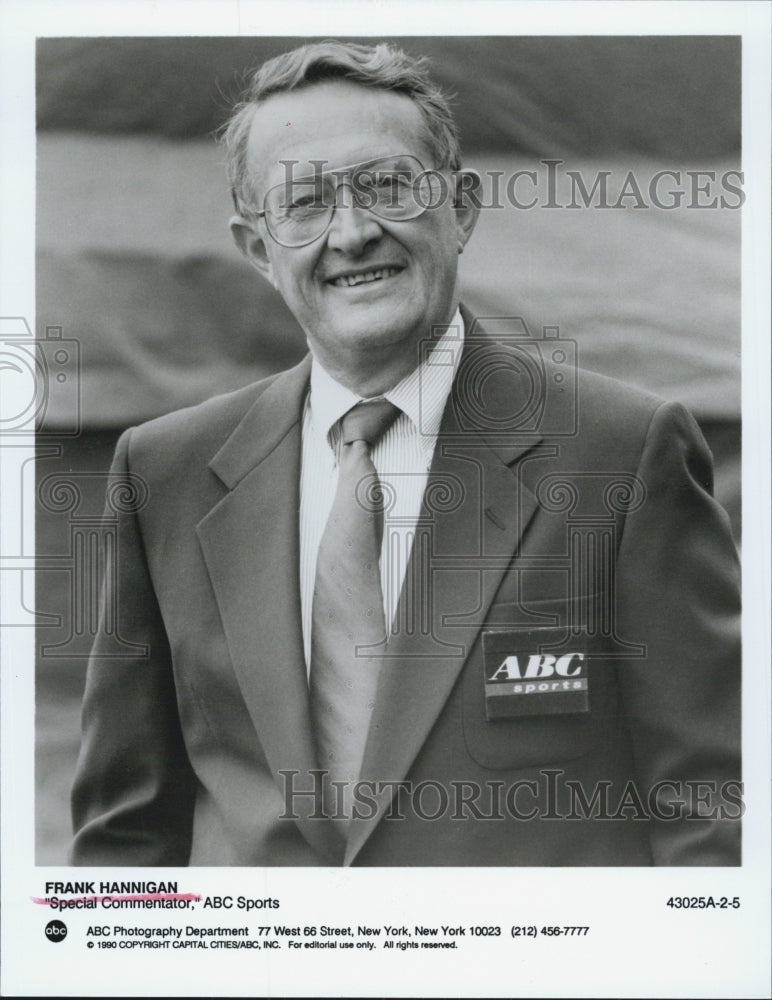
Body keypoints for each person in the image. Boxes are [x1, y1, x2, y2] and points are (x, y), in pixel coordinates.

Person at [70, 40, 741, 867]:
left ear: (460, 208)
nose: (351, 234)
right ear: (255, 249)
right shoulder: (165, 471)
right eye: (304, 203)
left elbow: (713, 811)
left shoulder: (622, 456)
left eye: (387, 186)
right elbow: (124, 837)